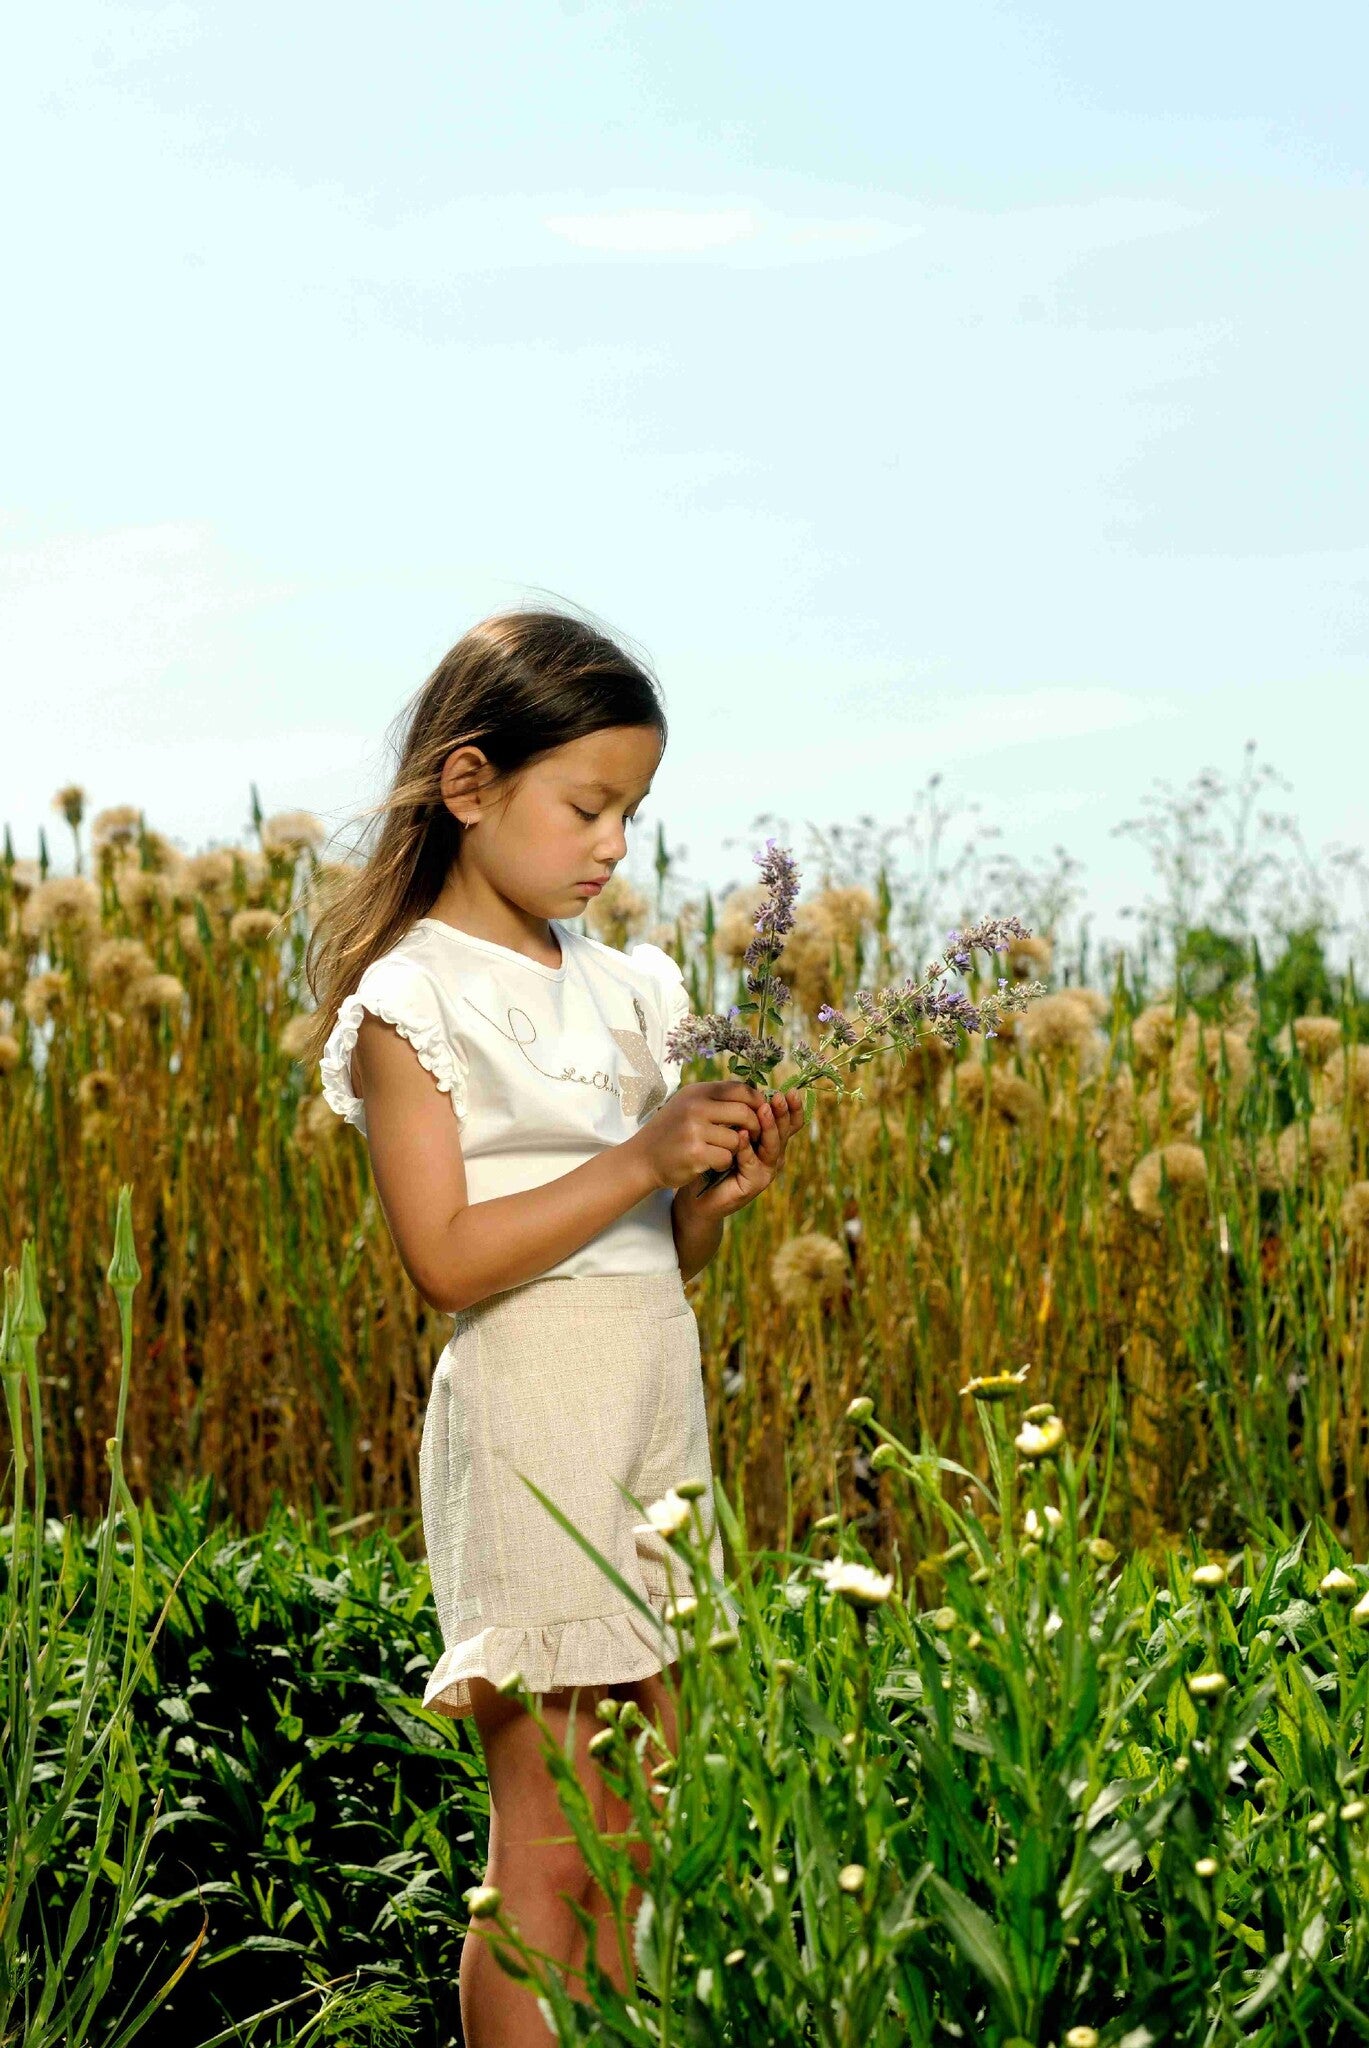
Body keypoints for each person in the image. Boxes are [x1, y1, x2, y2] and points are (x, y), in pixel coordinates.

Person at [302, 607, 806, 2045]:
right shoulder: (411, 1002)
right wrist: (641, 1158)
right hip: (531, 1422)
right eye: (586, 807)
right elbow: (448, 1261)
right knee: (553, 1842)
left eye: (632, 814)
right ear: (469, 784)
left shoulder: (635, 987)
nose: (612, 846)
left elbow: (656, 1259)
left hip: (652, 1405)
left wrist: (707, 1198)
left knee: (645, 1829)